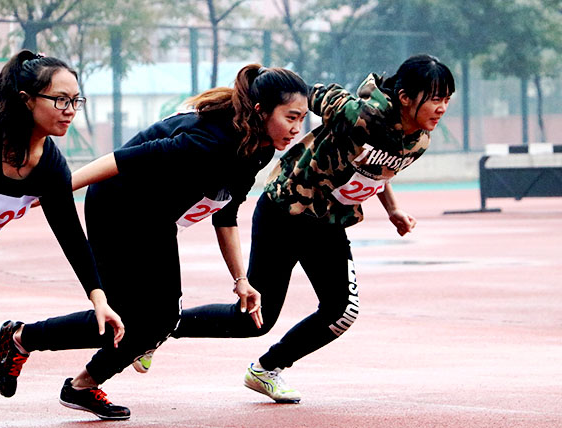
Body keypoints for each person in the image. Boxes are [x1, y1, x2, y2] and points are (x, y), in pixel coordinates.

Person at [0, 64, 309, 420]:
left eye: (302, 118)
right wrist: (57, 190)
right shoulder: (211, 142)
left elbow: (226, 213)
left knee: (159, 319)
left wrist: (241, 280)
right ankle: (23, 340)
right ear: (261, 111)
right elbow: (120, 160)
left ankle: (77, 381)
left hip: (155, 218)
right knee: (138, 318)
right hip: (116, 205)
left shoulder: (257, 148)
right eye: (291, 117)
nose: (297, 128)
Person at [171, 54, 456, 403]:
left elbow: (376, 167)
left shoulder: (419, 141)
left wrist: (392, 208)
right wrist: (271, 99)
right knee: (253, 321)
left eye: (447, 99)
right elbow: (306, 93)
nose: (442, 108)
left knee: (342, 311)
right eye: (436, 98)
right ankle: (162, 327)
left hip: (327, 222)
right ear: (405, 97)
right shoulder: (356, 114)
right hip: (283, 211)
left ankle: (267, 369)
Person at [0, 51, 124, 386]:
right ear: (26, 100)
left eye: (76, 100)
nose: (70, 110)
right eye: (60, 100)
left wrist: (99, 299)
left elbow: (71, 235)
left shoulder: (50, 168)